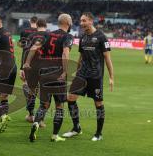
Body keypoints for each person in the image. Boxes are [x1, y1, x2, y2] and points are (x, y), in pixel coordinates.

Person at [62, 12, 114, 141]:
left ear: (91, 21)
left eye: (84, 21)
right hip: (81, 74)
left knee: (98, 103)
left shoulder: (101, 37)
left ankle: (98, 133)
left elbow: (107, 58)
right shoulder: (83, 37)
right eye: (80, 21)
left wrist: (111, 77)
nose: (81, 23)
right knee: (70, 98)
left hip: (95, 76)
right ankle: (76, 128)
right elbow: (81, 56)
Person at [24, 14, 73, 142]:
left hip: (44, 73)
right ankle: (55, 135)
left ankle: (35, 124)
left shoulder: (47, 34)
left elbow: (34, 47)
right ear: (68, 23)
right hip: (57, 73)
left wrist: (27, 62)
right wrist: (65, 71)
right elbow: (65, 53)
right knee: (59, 106)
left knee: (44, 104)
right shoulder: (67, 36)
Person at [18, 16, 38, 123]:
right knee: (36, 87)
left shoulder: (24, 31)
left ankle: (31, 114)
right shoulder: (40, 33)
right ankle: (39, 117)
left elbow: (22, 47)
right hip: (38, 62)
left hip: (26, 61)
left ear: (30, 21)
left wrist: (22, 67)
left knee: (27, 85)